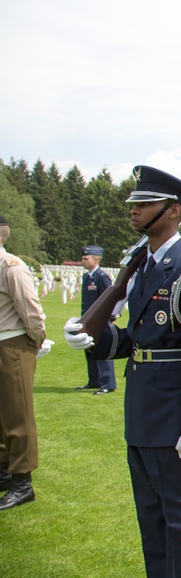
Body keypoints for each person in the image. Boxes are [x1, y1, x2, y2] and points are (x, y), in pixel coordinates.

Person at [63, 166, 181, 577]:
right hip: (142, 407)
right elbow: (138, 340)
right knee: (151, 520)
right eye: (133, 202)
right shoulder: (143, 265)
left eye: (144, 203)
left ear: (173, 211)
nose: (133, 210)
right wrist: (94, 338)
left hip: (174, 413)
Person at [0, 216, 49, 510]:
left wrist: (36, 338)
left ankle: (22, 481)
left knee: (18, 414)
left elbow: (30, 309)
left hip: (13, 344)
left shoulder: (11, 267)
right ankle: (5, 470)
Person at [79, 245, 116, 395]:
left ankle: (108, 383)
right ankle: (94, 381)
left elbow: (110, 298)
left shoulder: (101, 277)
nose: (82, 261)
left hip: (100, 321)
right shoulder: (87, 277)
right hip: (88, 321)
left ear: (96, 260)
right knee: (90, 350)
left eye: (85, 259)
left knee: (102, 351)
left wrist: (110, 318)